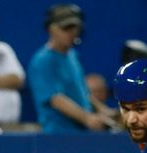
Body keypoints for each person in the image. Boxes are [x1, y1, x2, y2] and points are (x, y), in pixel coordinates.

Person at [28, 4, 115, 133]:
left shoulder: (72, 55)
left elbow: (82, 92)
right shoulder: (41, 61)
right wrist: (88, 119)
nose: (72, 33)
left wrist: (103, 110)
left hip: (81, 134)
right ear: (52, 29)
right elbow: (56, 99)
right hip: (59, 134)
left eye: (75, 28)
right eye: (66, 28)